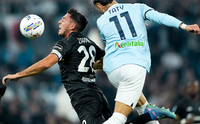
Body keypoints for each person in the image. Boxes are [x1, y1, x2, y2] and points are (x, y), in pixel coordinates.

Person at [2, 8, 176, 124]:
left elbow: (47, 63)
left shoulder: (65, 43)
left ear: (72, 25)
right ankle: (149, 115)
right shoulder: (89, 43)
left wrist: (19, 74)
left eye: (63, 19)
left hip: (84, 98)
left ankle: (149, 115)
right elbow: (108, 59)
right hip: (96, 94)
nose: (59, 22)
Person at [90, 0, 200, 124]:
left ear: (99, 6)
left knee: (145, 109)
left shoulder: (101, 21)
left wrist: (138, 27)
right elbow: (161, 17)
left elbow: (114, 38)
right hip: (133, 68)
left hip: (112, 70)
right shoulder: (138, 8)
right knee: (118, 118)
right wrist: (184, 26)